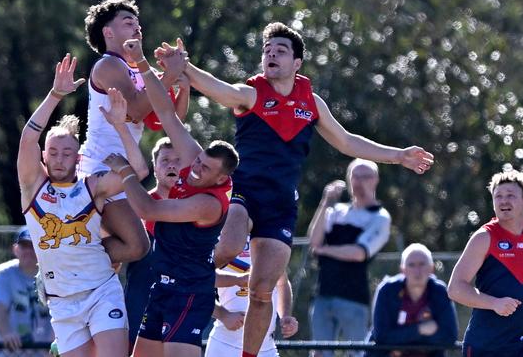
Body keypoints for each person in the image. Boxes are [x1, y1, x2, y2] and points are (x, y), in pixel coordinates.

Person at [156, 22, 434, 356]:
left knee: (261, 291)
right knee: (227, 250)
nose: (271, 54)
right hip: (245, 192)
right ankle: (172, 281)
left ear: (297, 63)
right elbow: (219, 89)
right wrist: (184, 66)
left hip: (281, 204)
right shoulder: (253, 93)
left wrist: (398, 156)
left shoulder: (311, 103)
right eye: (267, 50)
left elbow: (347, 141)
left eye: (280, 50)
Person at [104, 38, 238, 357]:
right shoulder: (195, 161)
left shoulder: (208, 204)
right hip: (162, 287)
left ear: (221, 179)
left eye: (204, 169)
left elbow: (148, 207)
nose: (193, 168)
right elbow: (165, 111)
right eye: (199, 160)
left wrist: (125, 172)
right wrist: (141, 63)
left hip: (189, 293)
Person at [17, 53, 149, 356]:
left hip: (101, 290)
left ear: (78, 158)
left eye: (67, 153)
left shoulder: (91, 186)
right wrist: (55, 95)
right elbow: (27, 139)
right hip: (62, 301)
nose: (60, 158)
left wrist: (120, 127)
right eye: (54, 152)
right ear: (44, 157)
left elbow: (139, 172)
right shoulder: (33, 187)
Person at [80, 0, 188, 263]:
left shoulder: (139, 69)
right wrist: (169, 76)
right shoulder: (108, 64)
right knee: (137, 246)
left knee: (131, 250)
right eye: (128, 22)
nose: (137, 28)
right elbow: (136, 110)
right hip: (99, 166)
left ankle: (74, 255)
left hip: (123, 167)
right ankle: (67, 256)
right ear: (108, 32)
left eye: (138, 23)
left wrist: (181, 84)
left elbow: (165, 121)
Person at [307, 159, 391, 357]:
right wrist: (325, 202)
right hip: (323, 294)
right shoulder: (336, 212)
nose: (360, 182)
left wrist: (325, 251)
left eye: (366, 177)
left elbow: (358, 253)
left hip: (353, 298)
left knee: (357, 353)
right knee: (319, 353)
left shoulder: (379, 216)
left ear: (376, 180)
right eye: (356, 176)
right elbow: (314, 240)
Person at [448, 170, 523, 356]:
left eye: (510, 195)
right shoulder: (484, 237)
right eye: (498, 196)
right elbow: (455, 289)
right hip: (487, 346)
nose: (504, 201)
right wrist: (494, 303)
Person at [124, 137, 181, 349]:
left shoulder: (198, 209)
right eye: (165, 160)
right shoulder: (138, 206)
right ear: (155, 167)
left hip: (180, 306)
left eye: (178, 160)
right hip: (141, 304)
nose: (172, 165)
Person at [206, 236, 299, 357]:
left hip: (267, 347)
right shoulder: (221, 236)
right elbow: (198, 281)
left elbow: (282, 283)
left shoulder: (269, 235)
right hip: (226, 344)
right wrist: (222, 314)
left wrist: (285, 315)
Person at [366, 243, 458, 357]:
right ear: (402, 270)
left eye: (422, 264)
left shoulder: (440, 291)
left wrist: (400, 341)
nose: (417, 271)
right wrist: (419, 329)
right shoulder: (386, 291)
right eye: (411, 265)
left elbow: (449, 336)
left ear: (431, 268)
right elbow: (382, 336)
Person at [0, 226, 54, 357]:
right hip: (3, 352)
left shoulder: (51, 275)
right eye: (24, 246)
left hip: (40, 352)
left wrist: (56, 338)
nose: (28, 251)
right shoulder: (4, 273)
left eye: (33, 246)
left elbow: (60, 309)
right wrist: (7, 333)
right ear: (15, 249)